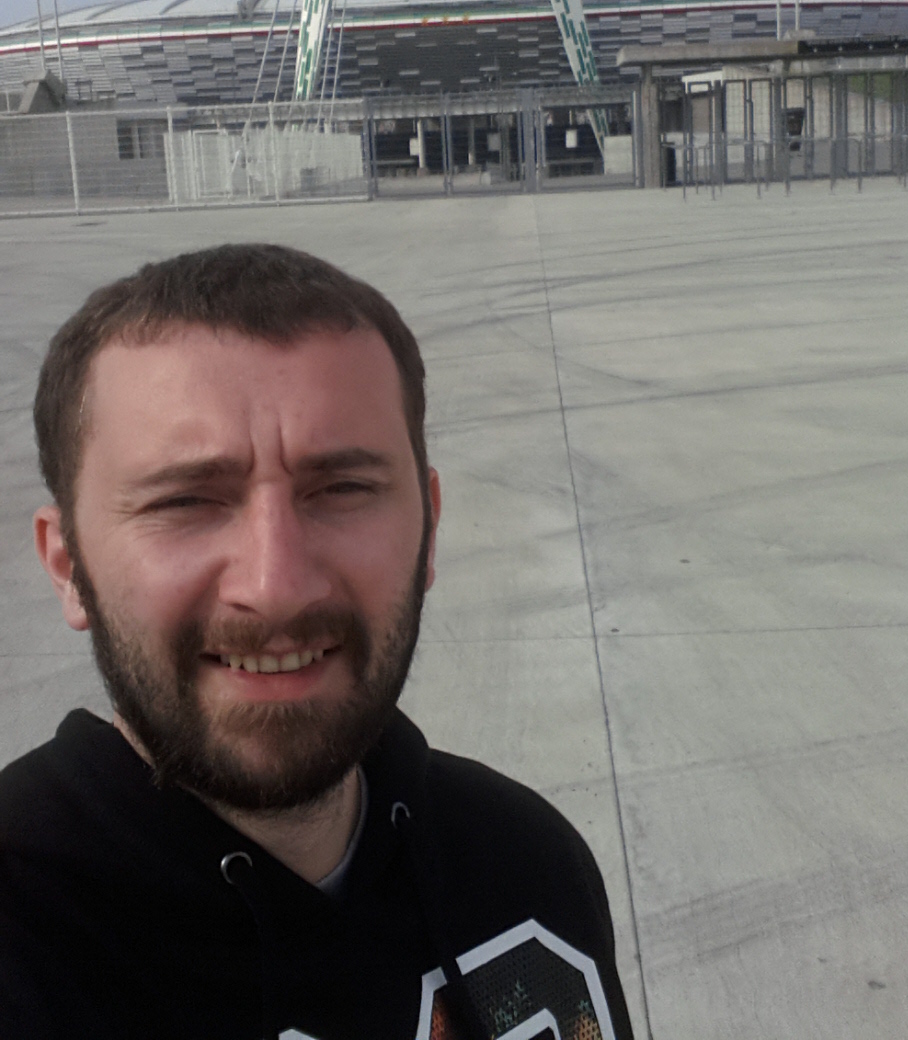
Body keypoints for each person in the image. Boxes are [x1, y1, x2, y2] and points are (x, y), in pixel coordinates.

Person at [0, 243, 634, 1040]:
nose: (277, 585)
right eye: (185, 501)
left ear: (429, 529)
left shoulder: (523, 865)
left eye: (342, 489)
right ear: (68, 567)